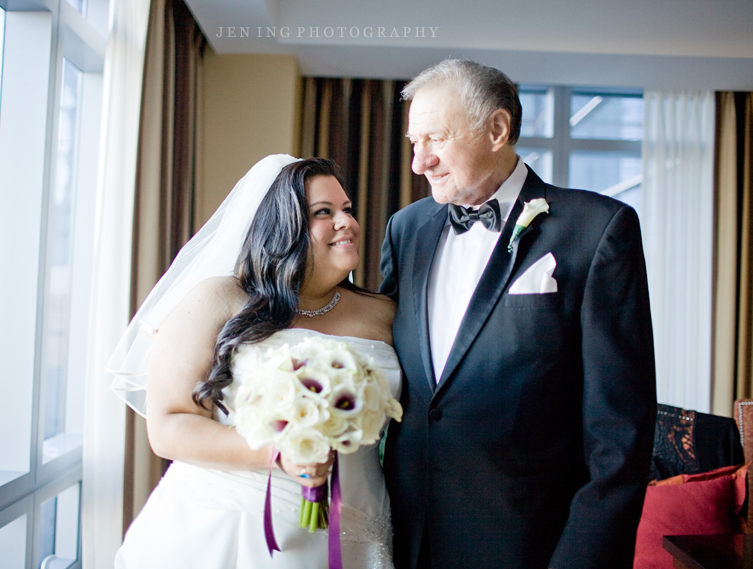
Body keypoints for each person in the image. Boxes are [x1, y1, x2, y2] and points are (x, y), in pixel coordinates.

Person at [379, 59, 657, 569]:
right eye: (414, 143)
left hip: (527, 546)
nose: (420, 163)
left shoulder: (597, 231)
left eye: (435, 139)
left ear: (497, 129)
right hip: (401, 543)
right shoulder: (405, 229)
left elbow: (620, 436)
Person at [107, 155, 399, 569]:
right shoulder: (217, 300)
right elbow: (168, 425)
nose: (346, 223)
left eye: (347, 210)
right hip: (229, 526)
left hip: (355, 525)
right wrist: (279, 452)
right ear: (281, 226)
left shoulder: (383, 313)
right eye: (323, 213)